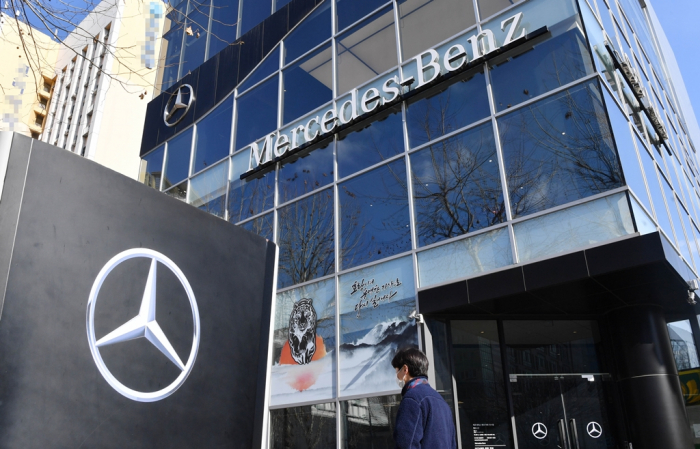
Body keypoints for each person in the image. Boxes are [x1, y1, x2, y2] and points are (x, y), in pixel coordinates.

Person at [391, 347, 457, 449]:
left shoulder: (412, 399)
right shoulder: (442, 403)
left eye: (397, 371)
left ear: (405, 369)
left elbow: (406, 444)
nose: (397, 376)